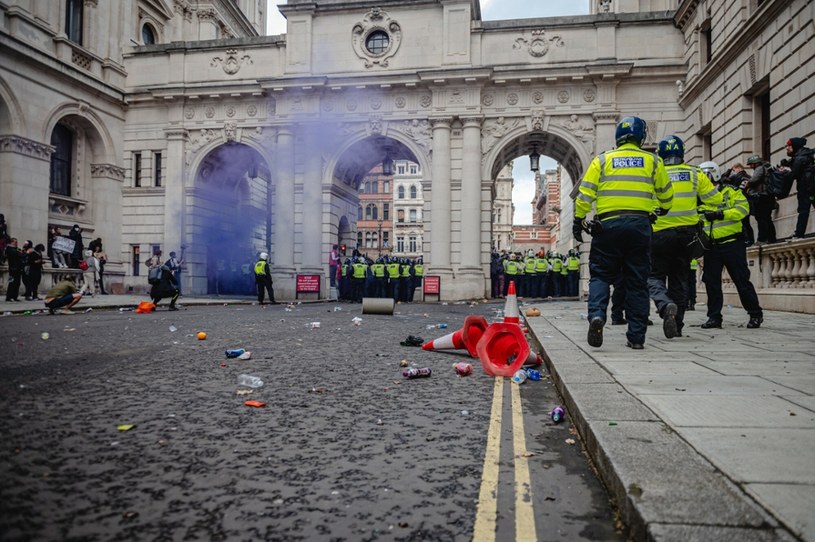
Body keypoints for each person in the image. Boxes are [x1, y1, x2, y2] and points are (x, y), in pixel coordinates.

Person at [574, 116, 673, 350]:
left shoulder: (602, 160)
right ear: (641, 137)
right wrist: (662, 208)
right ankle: (636, 337)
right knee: (637, 282)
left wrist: (578, 220)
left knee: (600, 276)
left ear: (618, 137)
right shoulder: (653, 161)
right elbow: (667, 195)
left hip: (608, 226)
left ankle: (597, 315)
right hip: (640, 226)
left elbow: (585, 195)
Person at [648, 136, 723, 339]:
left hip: (659, 234)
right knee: (679, 278)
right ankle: (677, 324)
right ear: (681, 153)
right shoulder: (694, 173)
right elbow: (715, 200)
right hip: (687, 235)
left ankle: (664, 306)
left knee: (653, 276)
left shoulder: (655, 173)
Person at [698, 161, 764, 329]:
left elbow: (743, 210)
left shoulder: (731, 191)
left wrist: (721, 214)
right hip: (711, 246)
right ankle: (714, 317)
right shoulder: (699, 197)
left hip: (733, 243)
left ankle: (755, 314)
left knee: (741, 280)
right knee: (712, 283)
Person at [780, 137, 815, 239]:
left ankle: (799, 234)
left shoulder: (800, 158)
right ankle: (799, 233)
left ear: (794, 146)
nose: (787, 148)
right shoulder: (803, 155)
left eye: (788, 146)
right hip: (810, 187)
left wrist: (785, 171)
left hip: (806, 188)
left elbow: (793, 174)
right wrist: (787, 164)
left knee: (803, 210)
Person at [744, 155, 777, 244]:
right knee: (767, 218)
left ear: (755, 163)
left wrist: (747, 184)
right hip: (768, 196)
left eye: (751, 164)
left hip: (762, 197)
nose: (750, 166)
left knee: (761, 218)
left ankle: (762, 239)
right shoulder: (766, 167)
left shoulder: (759, 168)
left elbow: (754, 180)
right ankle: (771, 238)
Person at [5, 237, 22, 302]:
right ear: (11, 242)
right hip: (13, 269)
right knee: (12, 283)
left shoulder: (15, 249)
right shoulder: (10, 249)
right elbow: (19, 255)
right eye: (15, 242)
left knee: (17, 283)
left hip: (17, 268)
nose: (16, 243)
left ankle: (15, 296)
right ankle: (9, 297)